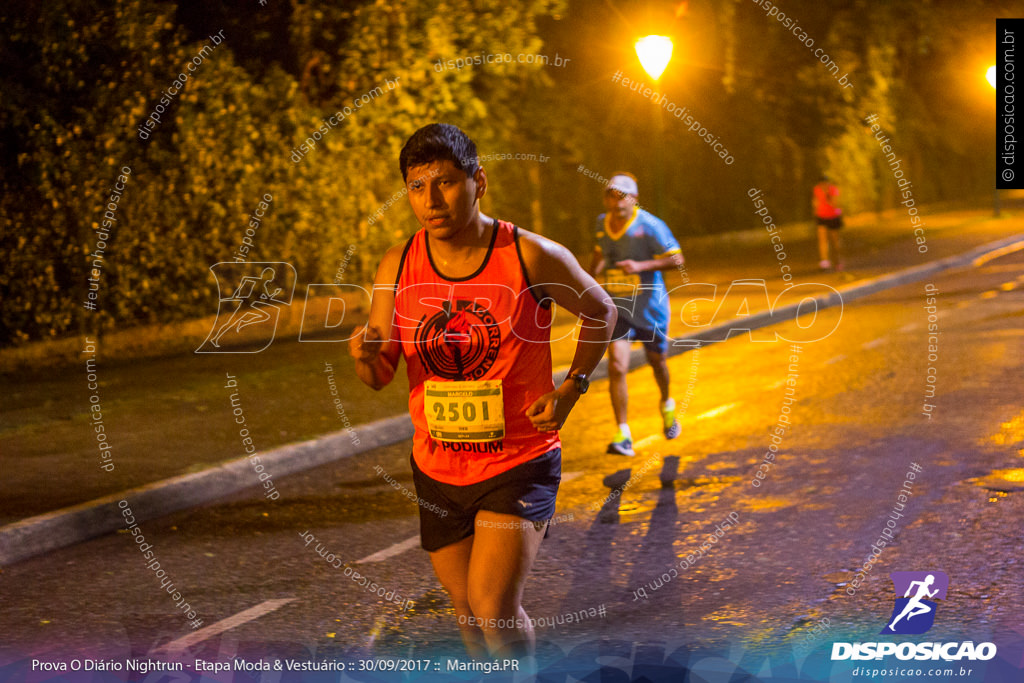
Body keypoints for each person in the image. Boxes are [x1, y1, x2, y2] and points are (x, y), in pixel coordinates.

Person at [349, 123, 616, 660]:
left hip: (518, 458)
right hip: (438, 468)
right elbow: (379, 375)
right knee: (467, 611)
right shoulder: (396, 265)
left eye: (445, 183)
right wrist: (364, 354)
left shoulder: (528, 255)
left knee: (492, 605)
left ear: (479, 181)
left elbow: (603, 310)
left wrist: (572, 387)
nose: (431, 200)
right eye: (417, 187)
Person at [589, 173, 683, 457]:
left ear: (634, 199)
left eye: (622, 196)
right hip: (618, 308)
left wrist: (641, 265)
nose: (615, 202)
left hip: (649, 309)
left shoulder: (651, 226)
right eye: (611, 196)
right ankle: (623, 434)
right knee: (617, 367)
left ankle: (667, 404)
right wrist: (588, 281)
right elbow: (599, 254)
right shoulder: (600, 224)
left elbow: (677, 258)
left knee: (657, 362)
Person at [813, 175, 844, 270]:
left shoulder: (833, 190)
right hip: (821, 216)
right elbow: (815, 201)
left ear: (828, 183)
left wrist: (828, 196)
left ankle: (837, 260)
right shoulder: (817, 189)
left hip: (833, 217)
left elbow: (835, 204)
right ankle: (824, 261)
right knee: (822, 239)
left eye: (825, 184)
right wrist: (815, 209)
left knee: (835, 241)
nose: (823, 186)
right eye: (821, 184)